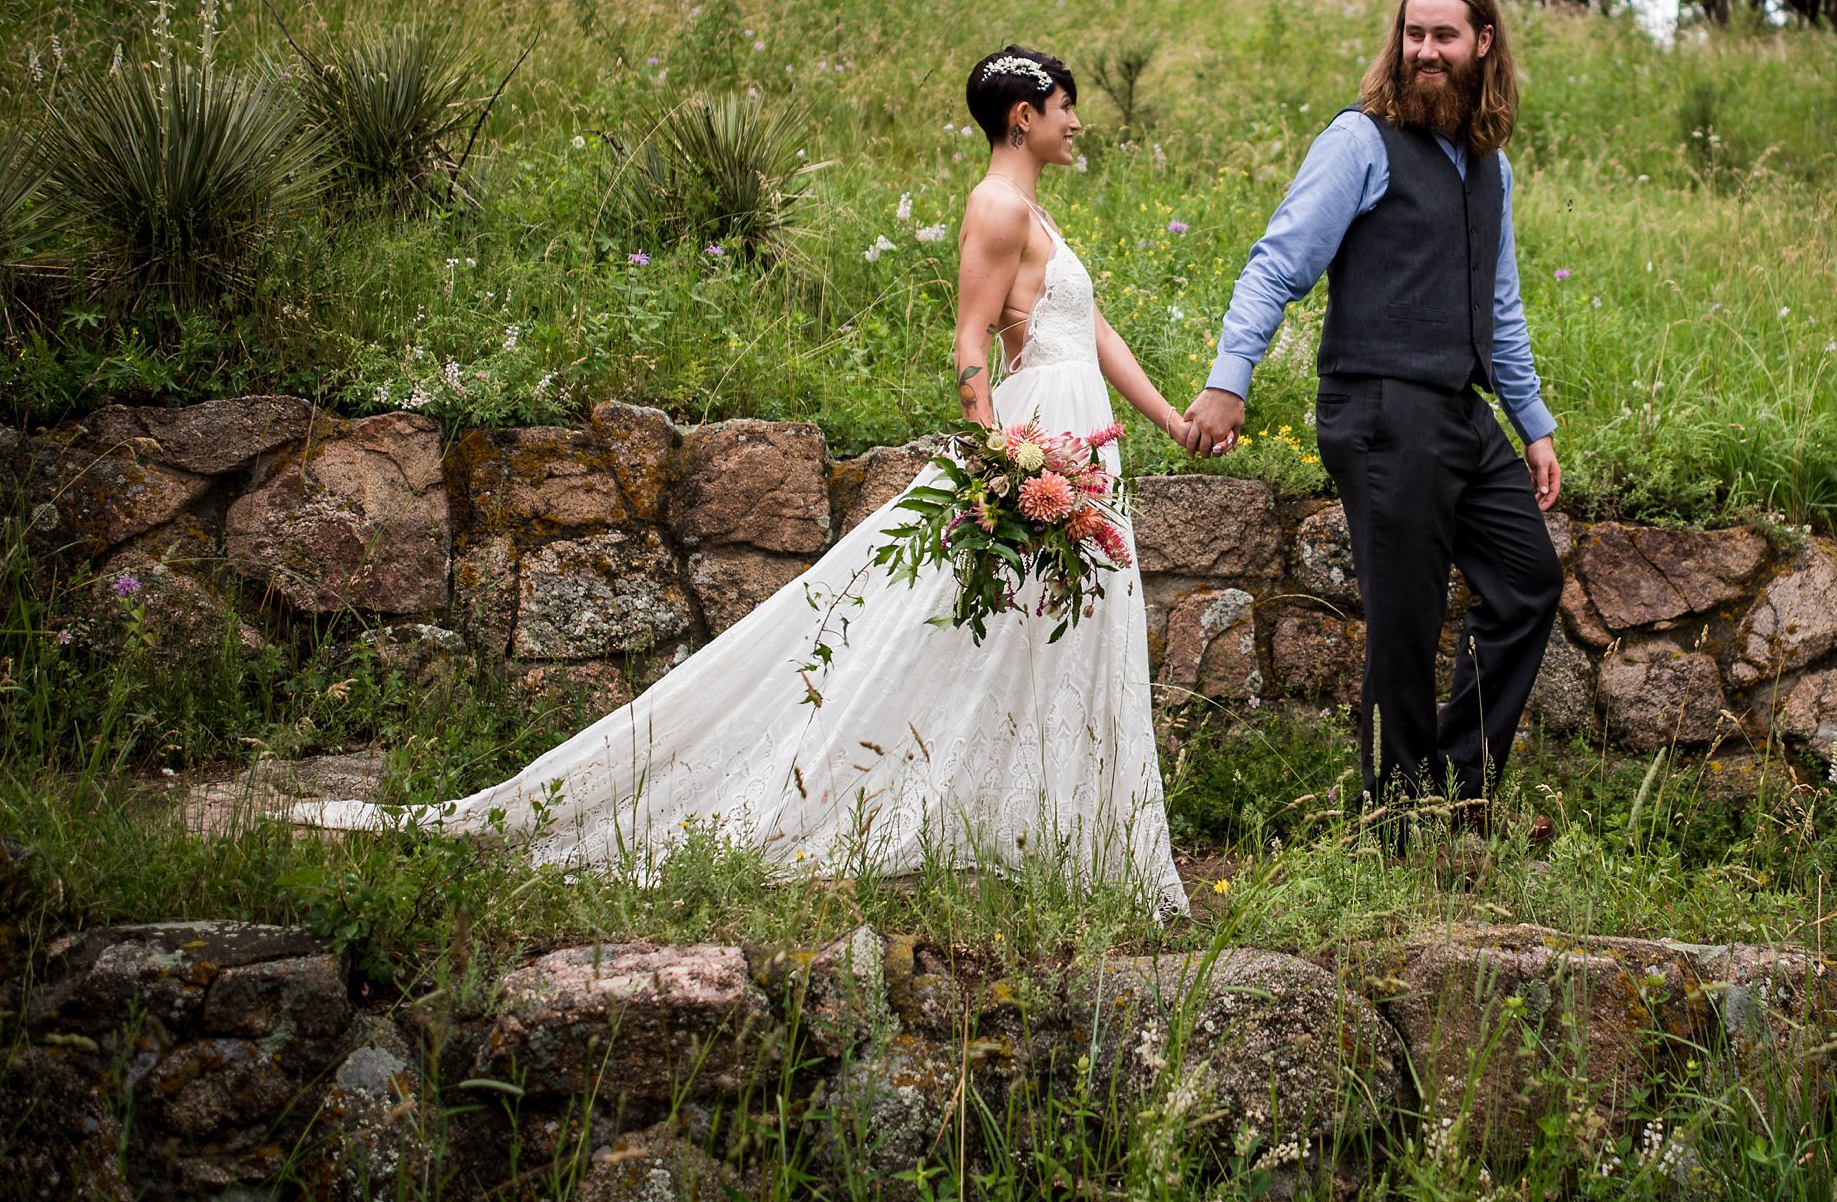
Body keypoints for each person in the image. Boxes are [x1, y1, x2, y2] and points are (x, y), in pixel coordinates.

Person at [289, 47, 1191, 917]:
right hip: (1036, 442)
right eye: (1066, 108)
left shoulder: (1039, 216)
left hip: (1081, 440)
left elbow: (1094, 331)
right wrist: (1000, 462)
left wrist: (1173, 420)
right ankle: (908, 797)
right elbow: (969, 344)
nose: (1077, 124)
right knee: (956, 616)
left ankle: (1042, 824)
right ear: (1023, 116)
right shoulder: (995, 207)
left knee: (1042, 630)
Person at [1183, 0, 1562, 818]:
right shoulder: (1358, 141)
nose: (1424, 51)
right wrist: (1227, 381)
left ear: (1484, 43)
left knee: (1527, 582)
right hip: (1379, 409)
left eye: (1443, 36)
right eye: (1412, 34)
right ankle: (1394, 821)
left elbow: (1496, 308)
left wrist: (1531, 423)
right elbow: (1275, 264)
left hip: (1459, 413)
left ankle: (1453, 791)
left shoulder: (1486, 167)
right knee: (1405, 622)